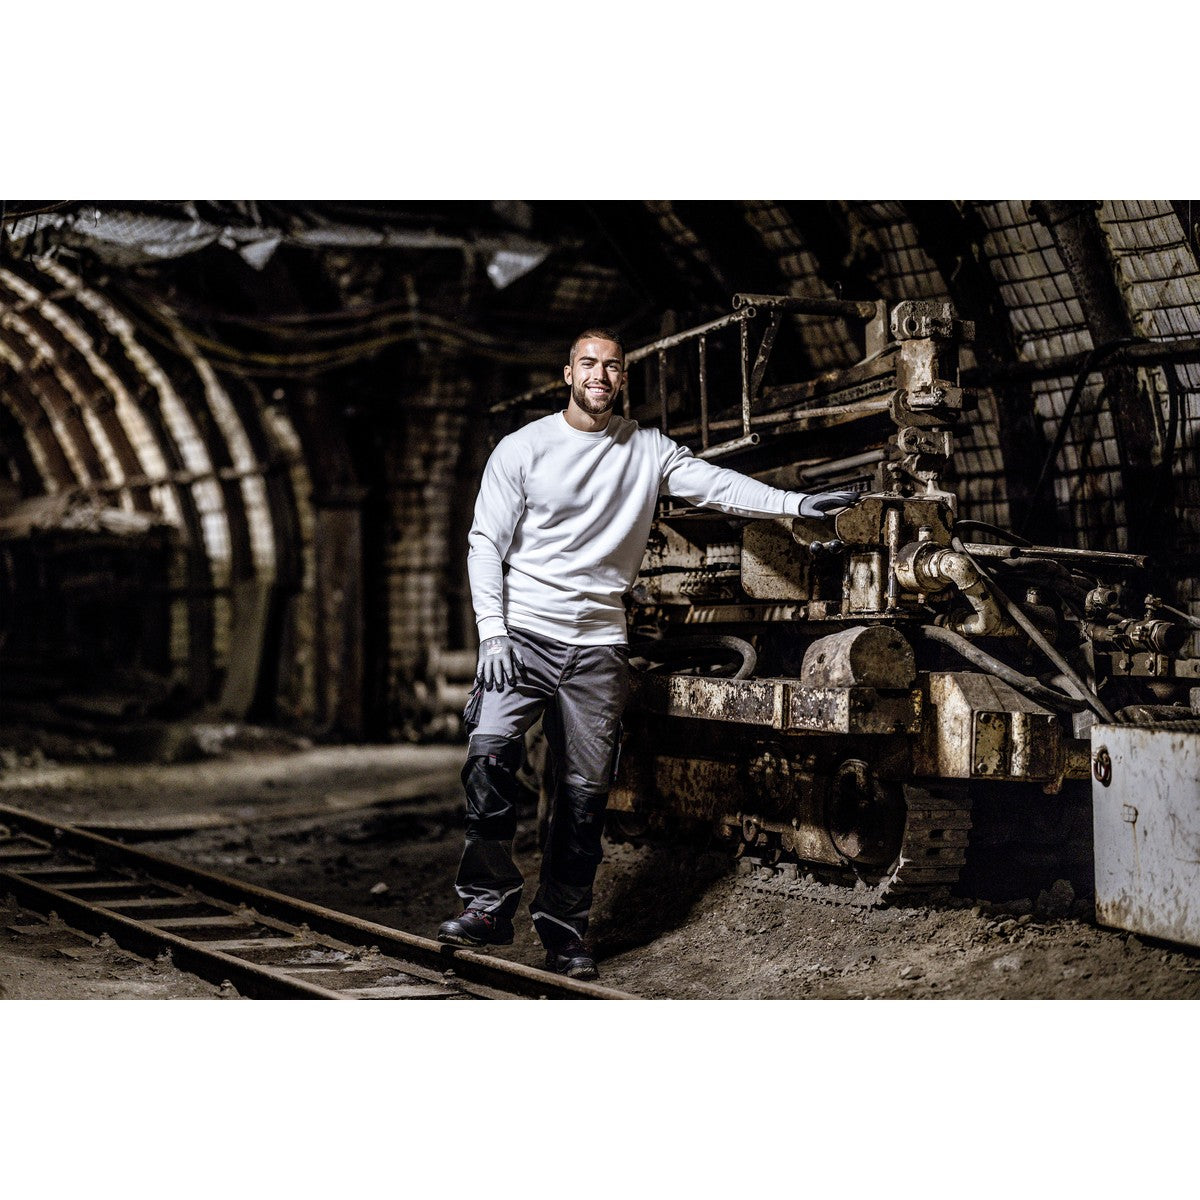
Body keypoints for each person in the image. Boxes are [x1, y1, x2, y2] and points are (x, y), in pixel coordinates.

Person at [437, 328, 856, 979]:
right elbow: (485, 542)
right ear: (567, 373)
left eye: (611, 366)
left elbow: (718, 486)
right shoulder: (523, 448)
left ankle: (564, 930)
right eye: (588, 364)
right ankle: (489, 905)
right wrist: (492, 631)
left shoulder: (646, 449)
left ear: (622, 378)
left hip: (599, 647)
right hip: (521, 638)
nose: (599, 375)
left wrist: (796, 504)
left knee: (584, 798)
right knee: (489, 758)